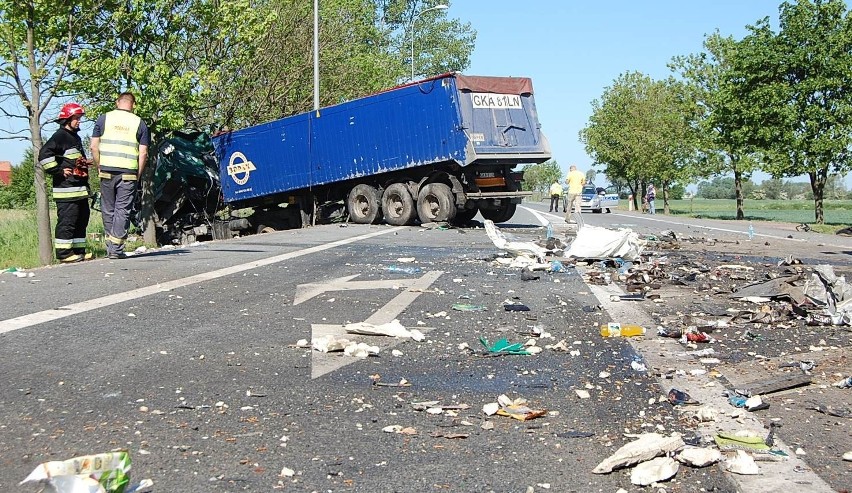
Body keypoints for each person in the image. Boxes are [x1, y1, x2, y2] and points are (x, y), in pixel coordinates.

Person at [90, 92, 150, 259]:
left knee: (108, 209)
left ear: (117, 102)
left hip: (107, 170)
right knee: (122, 209)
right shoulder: (140, 123)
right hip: (128, 173)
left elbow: (94, 147)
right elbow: (143, 152)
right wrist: (137, 174)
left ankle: (111, 246)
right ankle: (116, 248)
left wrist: (99, 166)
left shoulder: (103, 119)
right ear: (133, 105)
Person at [38, 103, 92, 263]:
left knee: (82, 219)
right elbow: (44, 155)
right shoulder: (60, 136)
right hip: (66, 190)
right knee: (68, 221)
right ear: (67, 119)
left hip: (79, 189)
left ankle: (78, 251)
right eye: (76, 119)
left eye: (79, 119)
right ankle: (64, 254)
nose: (79, 122)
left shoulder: (75, 137)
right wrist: (59, 171)